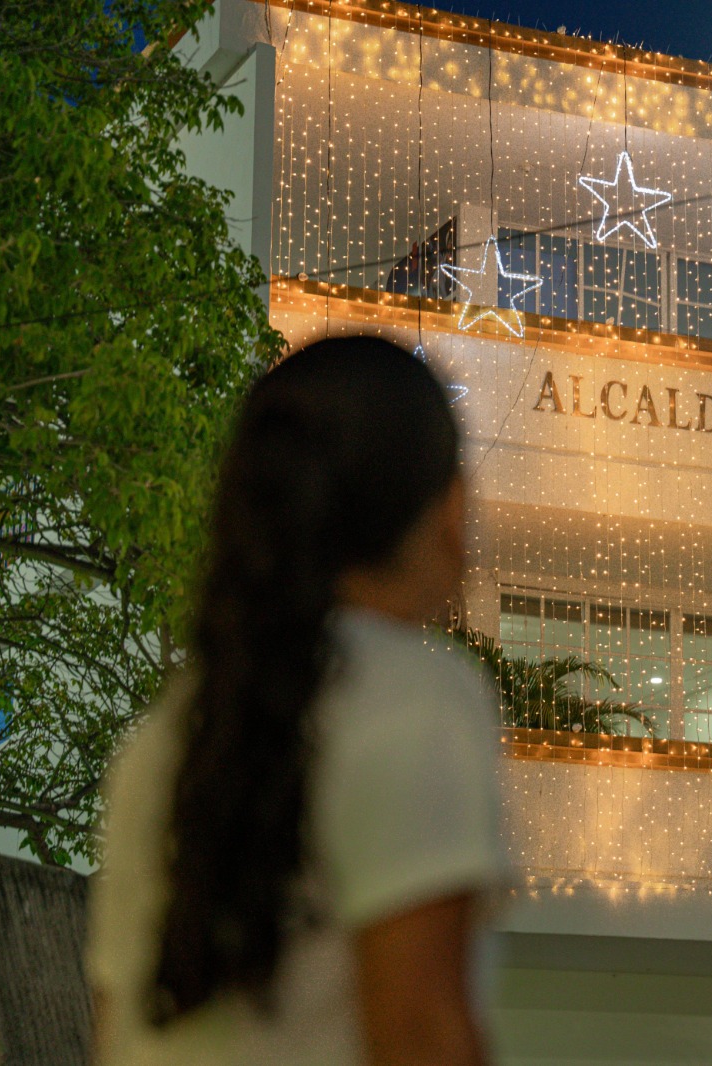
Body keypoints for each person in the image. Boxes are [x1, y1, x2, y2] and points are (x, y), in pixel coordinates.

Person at [87, 336, 503, 1066]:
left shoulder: (165, 736)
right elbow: (420, 1032)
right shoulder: (416, 698)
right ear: (449, 507)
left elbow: (114, 1026)